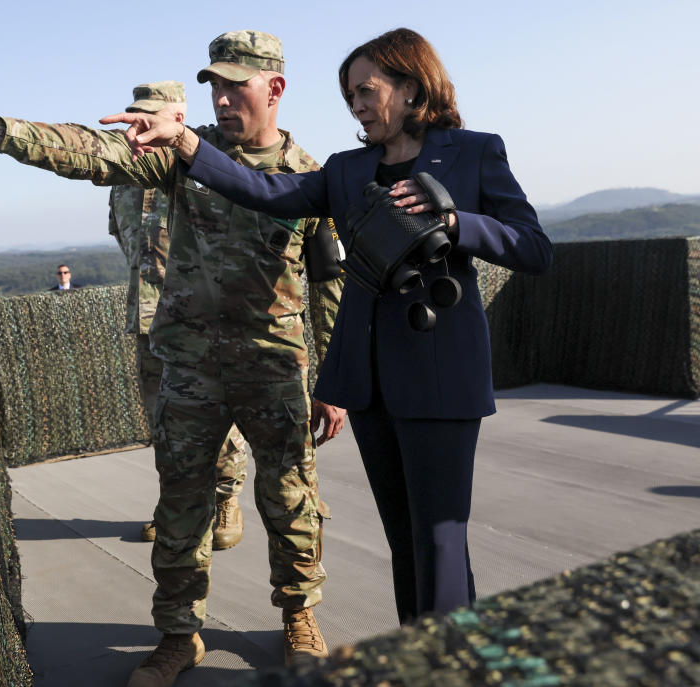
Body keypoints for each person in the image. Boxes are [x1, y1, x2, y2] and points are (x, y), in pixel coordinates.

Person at [0, 29, 346, 687]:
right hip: (191, 367)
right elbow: (95, 152)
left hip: (275, 369)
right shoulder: (184, 156)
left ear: (274, 87)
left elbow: (329, 283)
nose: (221, 99)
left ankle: (299, 617)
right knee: (182, 502)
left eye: (236, 85)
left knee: (291, 499)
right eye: (214, 86)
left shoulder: (311, 177)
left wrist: (334, 378)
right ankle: (177, 634)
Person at [108, 27, 553, 627]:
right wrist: (187, 142)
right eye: (349, 96)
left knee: (441, 538)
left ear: (412, 84)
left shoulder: (474, 152)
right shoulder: (347, 170)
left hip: (441, 376)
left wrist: (456, 221)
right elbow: (264, 189)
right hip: (370, 384)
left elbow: (533, 246)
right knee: (404, 540)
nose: (358, 105)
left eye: (367, 91)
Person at [107, 81, 249, 549]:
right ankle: (178, 505)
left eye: (152, 115)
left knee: (217, 421)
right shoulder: (124, 178)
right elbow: (123, 238)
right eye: (136, 115)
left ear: (178, 119)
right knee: (164, 423)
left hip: (200, 321)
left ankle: (226, 498)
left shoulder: (201, 167)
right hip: (147, 320)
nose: (141, 125)